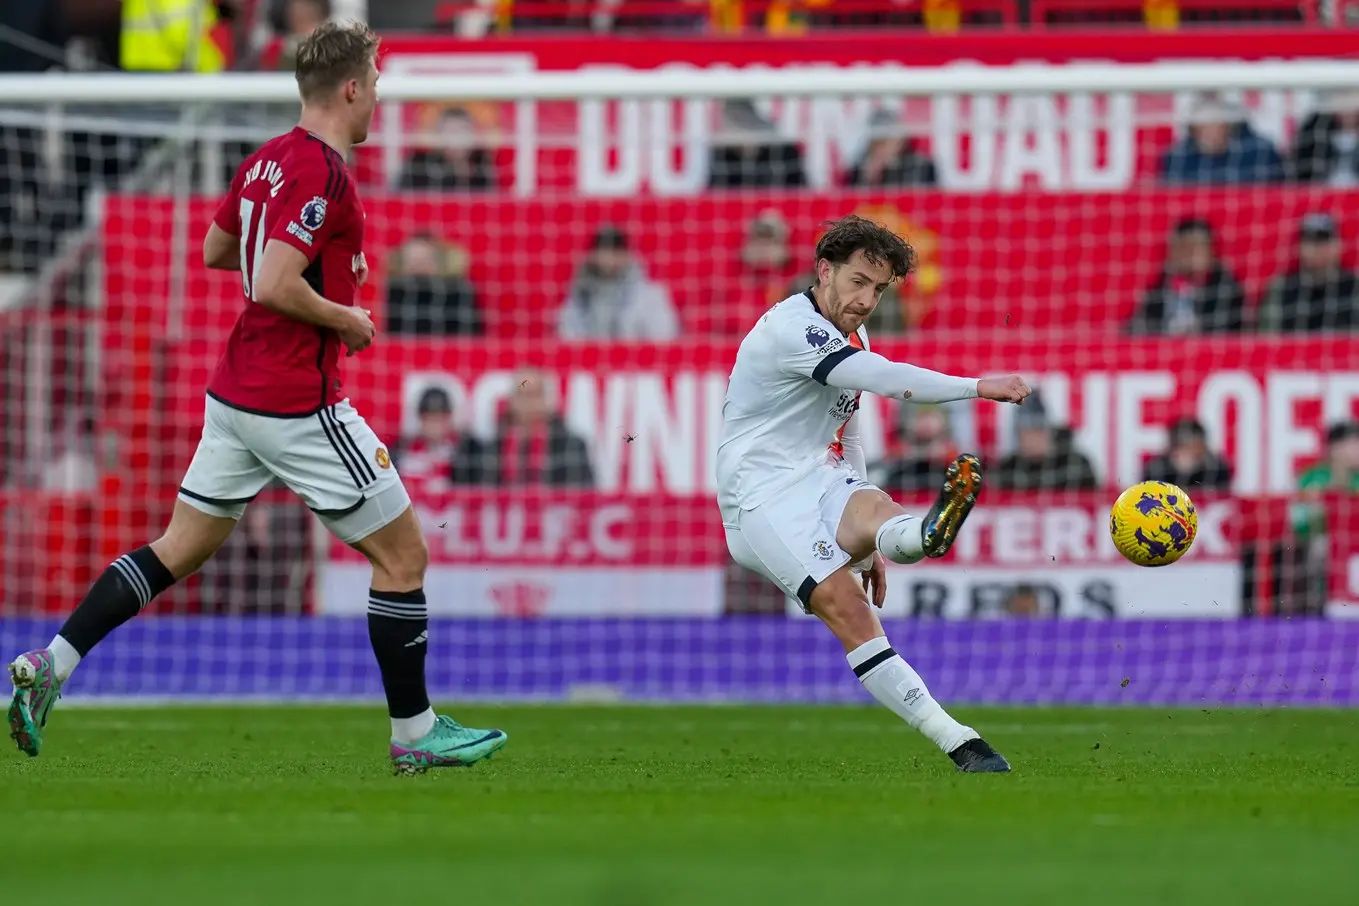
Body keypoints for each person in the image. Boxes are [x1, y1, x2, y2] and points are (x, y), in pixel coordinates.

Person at [6, 22, 507, 773]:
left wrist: (331, 264)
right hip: (295, 400)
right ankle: (415, 734)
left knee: (178, 548)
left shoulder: (268, 159)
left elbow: (217, 250)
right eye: (373, 85)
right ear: (349, 89)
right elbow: (271, 282)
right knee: (404, 554)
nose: (378, 98)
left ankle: (52, 664)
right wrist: (347, 317)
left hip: (236, 393)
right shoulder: (323, 172)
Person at [716, 215, 1031, 773]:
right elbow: (885, 378)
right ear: (824, 272)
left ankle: (919, 534)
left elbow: (850, 423)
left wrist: (868, 546)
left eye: (878, 289)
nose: (866, 300)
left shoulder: (853, 333)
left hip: (821, 470)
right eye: (858, 281)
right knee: (848, 607)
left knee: (880, 512)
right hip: (759, 498)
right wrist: (976, 387)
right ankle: (957, 739)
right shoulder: (794, 327)